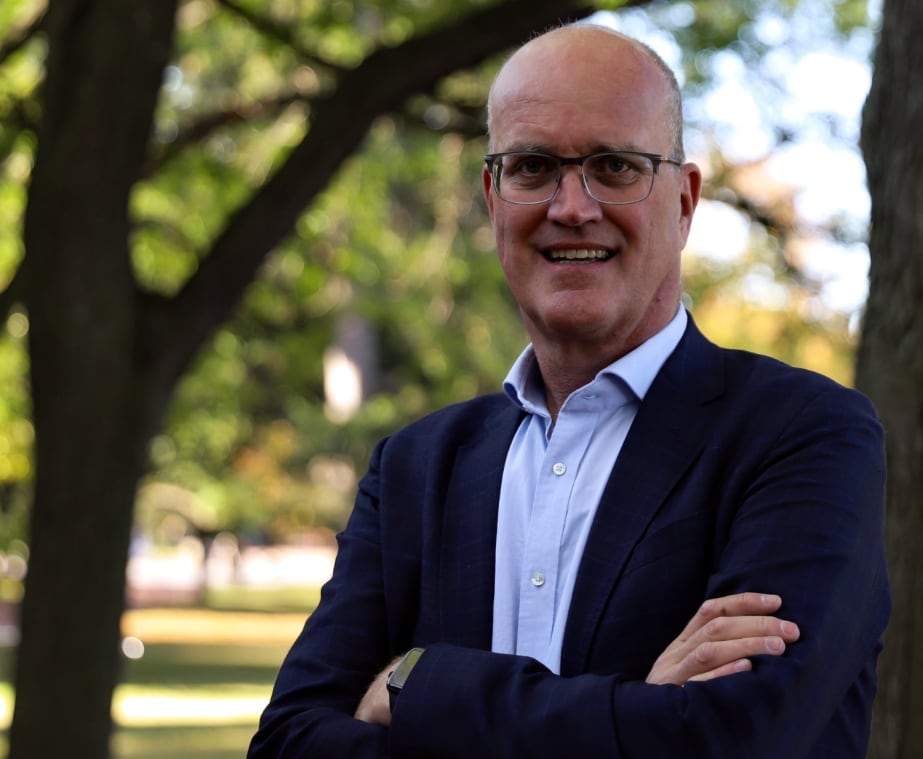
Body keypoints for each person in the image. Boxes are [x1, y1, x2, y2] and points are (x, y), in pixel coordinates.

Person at [248, 23, 889, 759]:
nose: (573, 206)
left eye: (615, 166)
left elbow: (736, 740)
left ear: (684, 202)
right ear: (494, 197)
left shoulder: (802, 435)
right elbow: (289, 743)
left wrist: (419, 684)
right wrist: (639, 712)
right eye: (533, 167)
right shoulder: (414, 469)